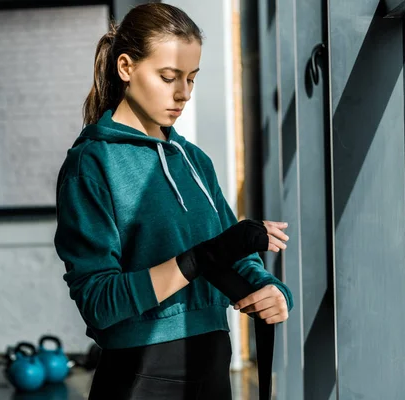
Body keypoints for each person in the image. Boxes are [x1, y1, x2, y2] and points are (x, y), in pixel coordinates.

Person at [53, 3, 293, 399]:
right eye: (168, 77)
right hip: (140, 374)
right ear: (126, 67)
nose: (182, 93)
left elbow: (230, 253)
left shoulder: (195, 161)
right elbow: (98, 301)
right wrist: (196, 260)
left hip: (213, 364)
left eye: (191, 79)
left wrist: (267, 289)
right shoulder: (92, 164)